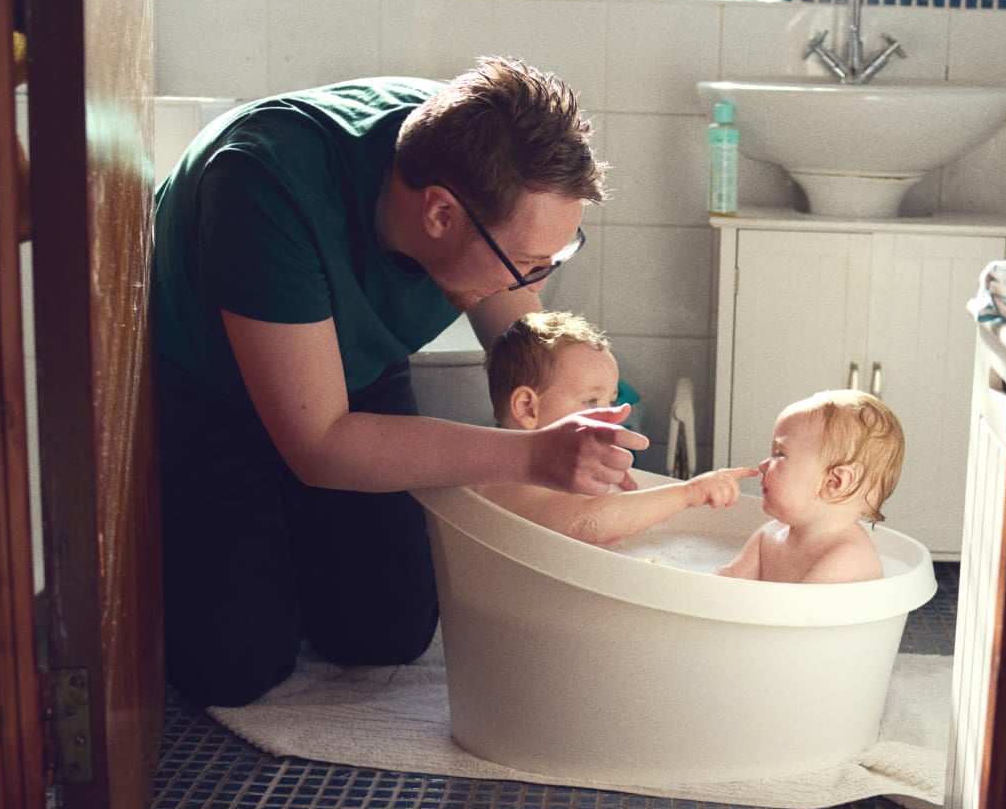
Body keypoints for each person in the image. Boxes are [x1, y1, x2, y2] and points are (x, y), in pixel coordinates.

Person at [152, 57, 647, 708]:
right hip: (211, 387)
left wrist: (586, 411)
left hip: (358, 362)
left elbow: (527, 349)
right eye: (523, 264)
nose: (533, 284)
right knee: (235, 668)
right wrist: (530, 454)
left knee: (388, 631)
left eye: (550, 260)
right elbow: (320, 443)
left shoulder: (483, 156)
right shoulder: (262, 184)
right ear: (438, 214)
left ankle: (296, 537)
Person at [478, 312, 755, 544]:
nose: (612, 416)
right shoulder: (507, 479)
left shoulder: (549, 474)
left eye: (612, 401)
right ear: (528, 408)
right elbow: (590, 523)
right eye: (590, 401)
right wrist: (688, 493)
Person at [716, 389, 904, 584]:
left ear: (835, 482)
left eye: (780, 454)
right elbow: (725, 587)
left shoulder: (848, 560)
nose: (763, 465)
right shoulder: (769, 536)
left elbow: (799, 614)